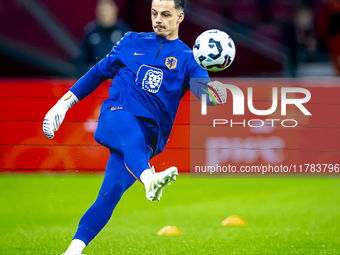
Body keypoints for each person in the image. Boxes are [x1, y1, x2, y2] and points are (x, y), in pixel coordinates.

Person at [43, 0, 225, 254]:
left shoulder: (188, 60)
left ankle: (72, 251)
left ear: (180, 17)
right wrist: (61, 106)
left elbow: (202, 90)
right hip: (115, 115)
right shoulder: (130, 41)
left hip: (148, 139)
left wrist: (214, 94)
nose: (157, 19)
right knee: (127, 127)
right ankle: (149, 179)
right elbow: (97, 73)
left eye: (165, 14)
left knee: (110, 193)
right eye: (154, 13)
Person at [74, 0, 130, 76]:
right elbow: (80, 63)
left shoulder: (125, 33)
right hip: (96, 82)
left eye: (107, 9)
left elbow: (132, 61)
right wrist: (91, 69)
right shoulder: (90, 33)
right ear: (96, 11)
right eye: (102, 9)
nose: (104, 13)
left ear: (115, 10)